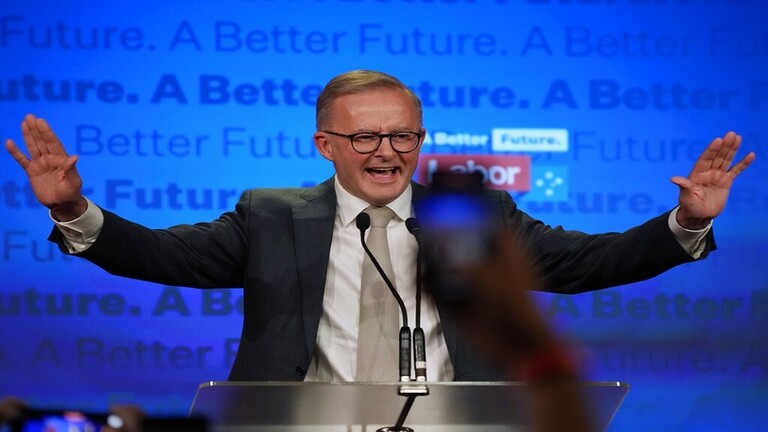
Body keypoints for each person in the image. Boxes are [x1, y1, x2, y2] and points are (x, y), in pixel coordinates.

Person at [4, 70, 755, 384]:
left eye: (402, 135)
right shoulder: (272, 215)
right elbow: (159, 255)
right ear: (325, 145)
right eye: (364, 136)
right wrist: (71, 209)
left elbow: (586, 263)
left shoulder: (467, 214)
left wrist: (684, 222)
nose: (386, 151)